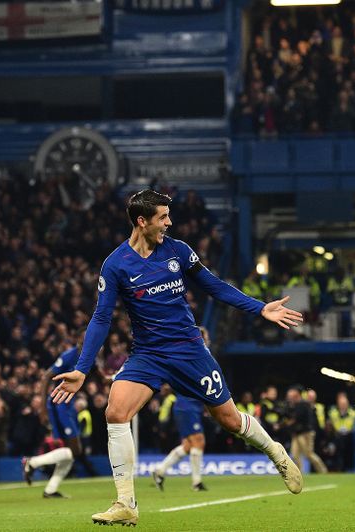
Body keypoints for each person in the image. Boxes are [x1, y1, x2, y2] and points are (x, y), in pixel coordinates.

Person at [50, 189, 305, 526]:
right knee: (115, 411)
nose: (169, 223)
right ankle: (126, 502)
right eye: (162, 217)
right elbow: (101, 318)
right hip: (148, 354)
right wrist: (82, 370)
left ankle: (276, 452)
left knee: (228, 419)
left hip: (189, 350)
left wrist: (260, 308)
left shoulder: (178, 251)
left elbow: (215, 286)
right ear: (142, 222)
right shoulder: (116, 265)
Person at [23, 335, 96, 498]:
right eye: (84, 340)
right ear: (78, 341)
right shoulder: (69, 355)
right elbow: (47, 376)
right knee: (75, 449)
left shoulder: (89, 356)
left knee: (73, 451)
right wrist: (42, 408)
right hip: (59, 404)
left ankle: (50, 489)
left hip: (68, 405)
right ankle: (33, 462)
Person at [153, 327, 215, 491]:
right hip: (187, 405)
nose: (208, 339)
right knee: (199, 441)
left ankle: (160, 471)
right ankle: (196, 482)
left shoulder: (188, 354)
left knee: (188, 445)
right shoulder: (197, 355)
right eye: (205, 336)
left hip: (187, 405)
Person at [284, 388, 327, 473]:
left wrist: (287, 423)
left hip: (305, 433)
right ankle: (299, 473)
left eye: (291, 394)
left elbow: (296, 419)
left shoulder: (303, 404)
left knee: (308, 454)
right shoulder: (294, 405)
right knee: (295, 454)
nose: (290, 396)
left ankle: (323, 470)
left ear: (297, 393)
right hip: (296, 434)